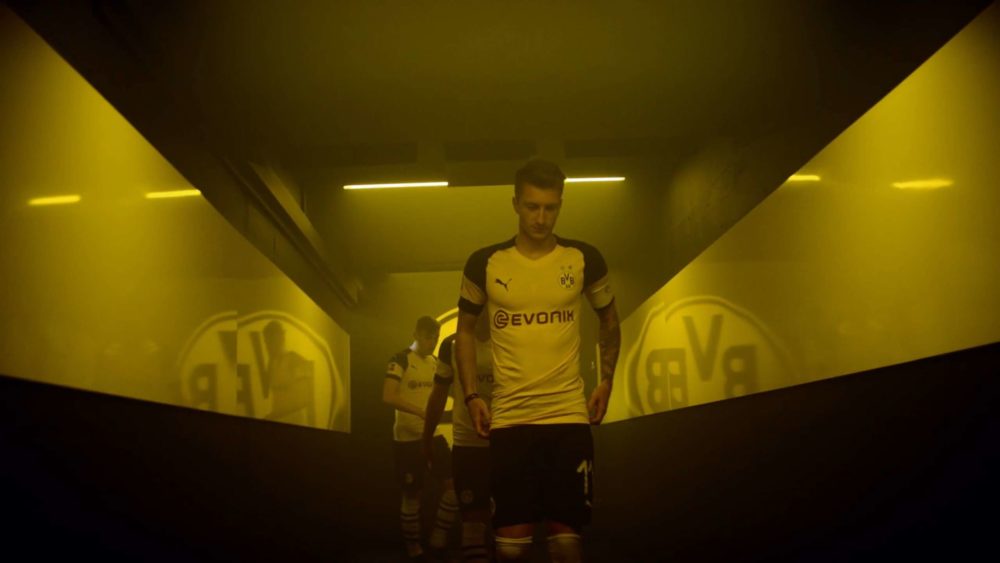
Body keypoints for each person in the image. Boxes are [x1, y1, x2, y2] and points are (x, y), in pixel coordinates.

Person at [454, 158, 621, 562]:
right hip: (511, 420)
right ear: (515, 203)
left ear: (560, 205)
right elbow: (464, 331)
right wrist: (473, 396)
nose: (541, 218)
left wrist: (606, 380)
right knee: (511, 547)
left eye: (550, 208)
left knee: (567, 542)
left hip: (568, 417)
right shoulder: (485, 263)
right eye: (532, 207)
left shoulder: (584, 258)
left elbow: (609, 321)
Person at [383, 316, 458, 561]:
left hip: (433, 435)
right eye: (428, 337)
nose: (432, 342)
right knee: (411, 495)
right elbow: (388, 396)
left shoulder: (436, 362)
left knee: (453, 488)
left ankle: (438, 538)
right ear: (416, 334)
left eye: (435, 338)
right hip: (407, 439)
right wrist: (420, 412)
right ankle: (413, 548)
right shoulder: (400, 359)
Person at [423, 313, 495, 563]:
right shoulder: (451, 345)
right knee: (472, 523)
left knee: (509, 533)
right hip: (468, 442)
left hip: (507, 441)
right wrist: (427, 437)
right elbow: (438, 395)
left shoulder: (510, 340)